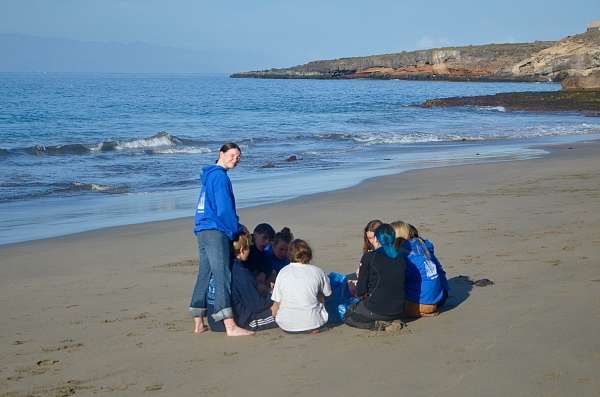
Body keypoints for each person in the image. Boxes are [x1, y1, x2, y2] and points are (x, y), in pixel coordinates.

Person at [189, 142, 254, 336]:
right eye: (232, 155)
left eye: (238, 157)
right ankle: (230, 325)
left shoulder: (209, 176)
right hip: (214, 230)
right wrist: (236, 229)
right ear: (221, 153)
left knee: (205, 273)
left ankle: (198, 322)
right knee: (222, 275)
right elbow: (224, 209)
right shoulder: (219, 177)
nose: (236, 159)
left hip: (202, 229)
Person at [207, 233, 277, 332]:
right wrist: (273, 294)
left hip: (214, 321)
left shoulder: (219, 270)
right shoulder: (240, 272)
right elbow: (257, 305)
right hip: (242, 321)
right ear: (242, 250)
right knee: (278, 309)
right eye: (249, 248)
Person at [344, 224, 406, 330]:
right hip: (399, 308)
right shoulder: (401, 256)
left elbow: (361, 291)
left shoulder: (369, 257)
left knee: (348, 315)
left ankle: (378, 326)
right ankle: (389, 320)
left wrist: (355, 288)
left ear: (376, 238)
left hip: (378, 308)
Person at [271, 239, 332, 333]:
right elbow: (327, 294)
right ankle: (311, 320)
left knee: (281, 298)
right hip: (314, 323)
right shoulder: (318, 271)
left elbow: (277, 302)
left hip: (286, 325)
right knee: (319, 293)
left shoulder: (283, 272)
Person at [391, 221, 449, 317]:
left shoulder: (404, 254)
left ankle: (419, 312)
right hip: (440, 297)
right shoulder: (421, 244)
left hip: (424, 303)